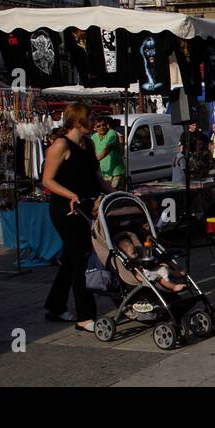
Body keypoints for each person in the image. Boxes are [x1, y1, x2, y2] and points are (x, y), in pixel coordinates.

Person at [41, 102, 112, 332]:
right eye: (91, 117)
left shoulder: (88, 144)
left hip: (87, 206)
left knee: (71, 259)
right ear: (79, 121)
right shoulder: (60, 145)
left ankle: (55, 305)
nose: (95, 121)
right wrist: (70, 193)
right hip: (67, 209)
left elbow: (96, 176)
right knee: (81, 258)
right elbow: (47, 180)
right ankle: (85, 316)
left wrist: (116, 194)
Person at [116, 232, 188, 292]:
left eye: (135, 250)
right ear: (125, 255)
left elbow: (146, 251)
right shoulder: (131, 264)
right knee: (161, 279)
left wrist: (147, 242)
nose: (137, 253)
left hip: (154, 269)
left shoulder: (140, 255)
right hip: (149, 276)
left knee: (163, 267)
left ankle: (176, 274)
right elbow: (138, 275)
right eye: (133, 253)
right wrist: (144, 278)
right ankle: (173, 287)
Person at [91, 116, 125, 190]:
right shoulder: (94, 137)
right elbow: (92, 151)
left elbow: (107, 149)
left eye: (103, 125)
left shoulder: (111, 133)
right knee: (104, 196)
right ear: (94, 128)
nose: (102, 127)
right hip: (103, 172)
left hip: (116, 173)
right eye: (98, 126)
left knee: (113, 196)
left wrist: (94, 161)